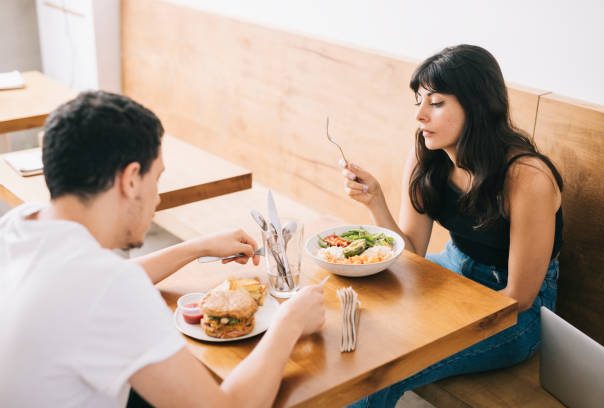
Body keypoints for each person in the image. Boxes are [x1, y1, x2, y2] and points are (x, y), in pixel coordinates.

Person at [0, 91, 325, 408]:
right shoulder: (107, 288)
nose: (157, 197)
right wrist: (289, 323)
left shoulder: (18, 225)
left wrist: (196, 247)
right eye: (157, 179)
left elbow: (95, 286)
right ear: (130, 180)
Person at [340, 44, 563, 407]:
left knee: (378, 372)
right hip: (451, 270)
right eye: (420, 101)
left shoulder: (527, 177)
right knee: (349, 328)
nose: (420, 116)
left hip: (515, 310)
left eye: (437, 102)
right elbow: (410, 250)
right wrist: (375, 201)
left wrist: (431, 320)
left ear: (476, 106)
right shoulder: (427, 155)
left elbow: (519, 297)